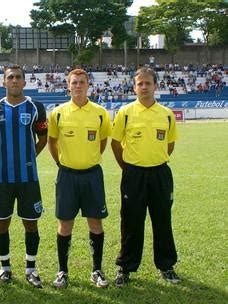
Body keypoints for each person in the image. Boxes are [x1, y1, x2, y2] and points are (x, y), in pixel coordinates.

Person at [110, 67, 181, 287]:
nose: (143, 87)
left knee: (162, 220)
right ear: (134, 87)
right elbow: (115, 143)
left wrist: (155, 161)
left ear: (155, 86)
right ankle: (126, 268)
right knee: (131, 221)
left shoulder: (167, 114)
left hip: (160, 174)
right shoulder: (126, 112)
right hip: (133, 175)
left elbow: (169, 145)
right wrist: (128, 167)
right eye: (139, 83)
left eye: (148, 83)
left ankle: (166, 266)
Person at [47, 69, 111, 289]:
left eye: (82, 82)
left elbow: (102, 143)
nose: (78, 86)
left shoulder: (101, 112)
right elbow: (52, 143)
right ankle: (62, 271)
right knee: (65, 224)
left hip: (92, 175)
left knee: (95, 222)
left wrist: (89, 159)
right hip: (67, 176)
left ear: (88, 85)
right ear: (68, 86)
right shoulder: (57, 113)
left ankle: (97, 270)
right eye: (74, 82)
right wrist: (61, 163)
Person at [0, 65, 48, 288]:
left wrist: (28, 157)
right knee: (2, 224)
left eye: (18, 77)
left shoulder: (35, 107)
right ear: (4, 82)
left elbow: (43, 138)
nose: (14, 81)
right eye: (10, 77)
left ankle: (31, 269)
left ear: (24, 82)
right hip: (2, 178)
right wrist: (5, 157)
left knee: (31, 224)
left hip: (28, 178)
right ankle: (5, 267)